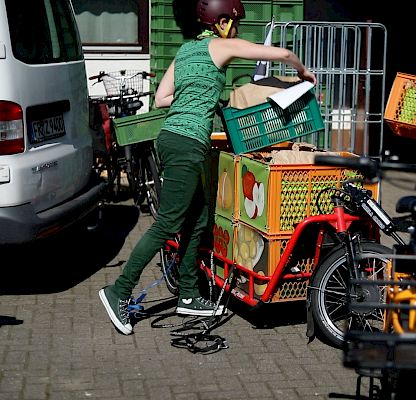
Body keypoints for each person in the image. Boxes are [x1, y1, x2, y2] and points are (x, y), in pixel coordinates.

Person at [99, 0, 317, 335]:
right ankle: (119, 291)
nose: (237, 29)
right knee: (168, 223)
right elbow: (281, 55)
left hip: (172, 137)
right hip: (187, 144)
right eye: (235, 22)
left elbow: (161, 99)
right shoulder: (223, 45)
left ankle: (188, 294)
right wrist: (303, 72)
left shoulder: (185, 51)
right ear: (223, 21)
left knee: (199, 217)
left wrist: (199, 98)